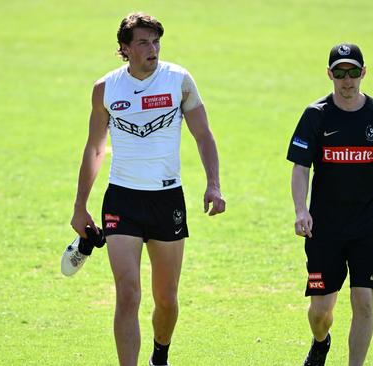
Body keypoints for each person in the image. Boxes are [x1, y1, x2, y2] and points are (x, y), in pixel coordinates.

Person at [68, 12, 226, 366]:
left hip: (167, 199)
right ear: (125, 49)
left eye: (156, 41)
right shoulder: (106, 89)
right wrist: (80, 206)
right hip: (122, 198)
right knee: (127, 294)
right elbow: (95, 148)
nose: (152, 49)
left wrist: (213, 185)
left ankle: (160, 354)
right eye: (143, 42)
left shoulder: (179, 80)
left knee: (166, 299)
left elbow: (204, 136)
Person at [286, 43, 373, 366]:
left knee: (364, 301)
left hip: (366, 227)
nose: (347, 80)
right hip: (324, 229)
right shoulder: (315, 116)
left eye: (353, 72)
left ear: (363, 73)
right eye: (340, 73)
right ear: (330, 75)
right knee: (321, 311)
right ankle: (320, 343)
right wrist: (301, 209)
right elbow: (300, 167)